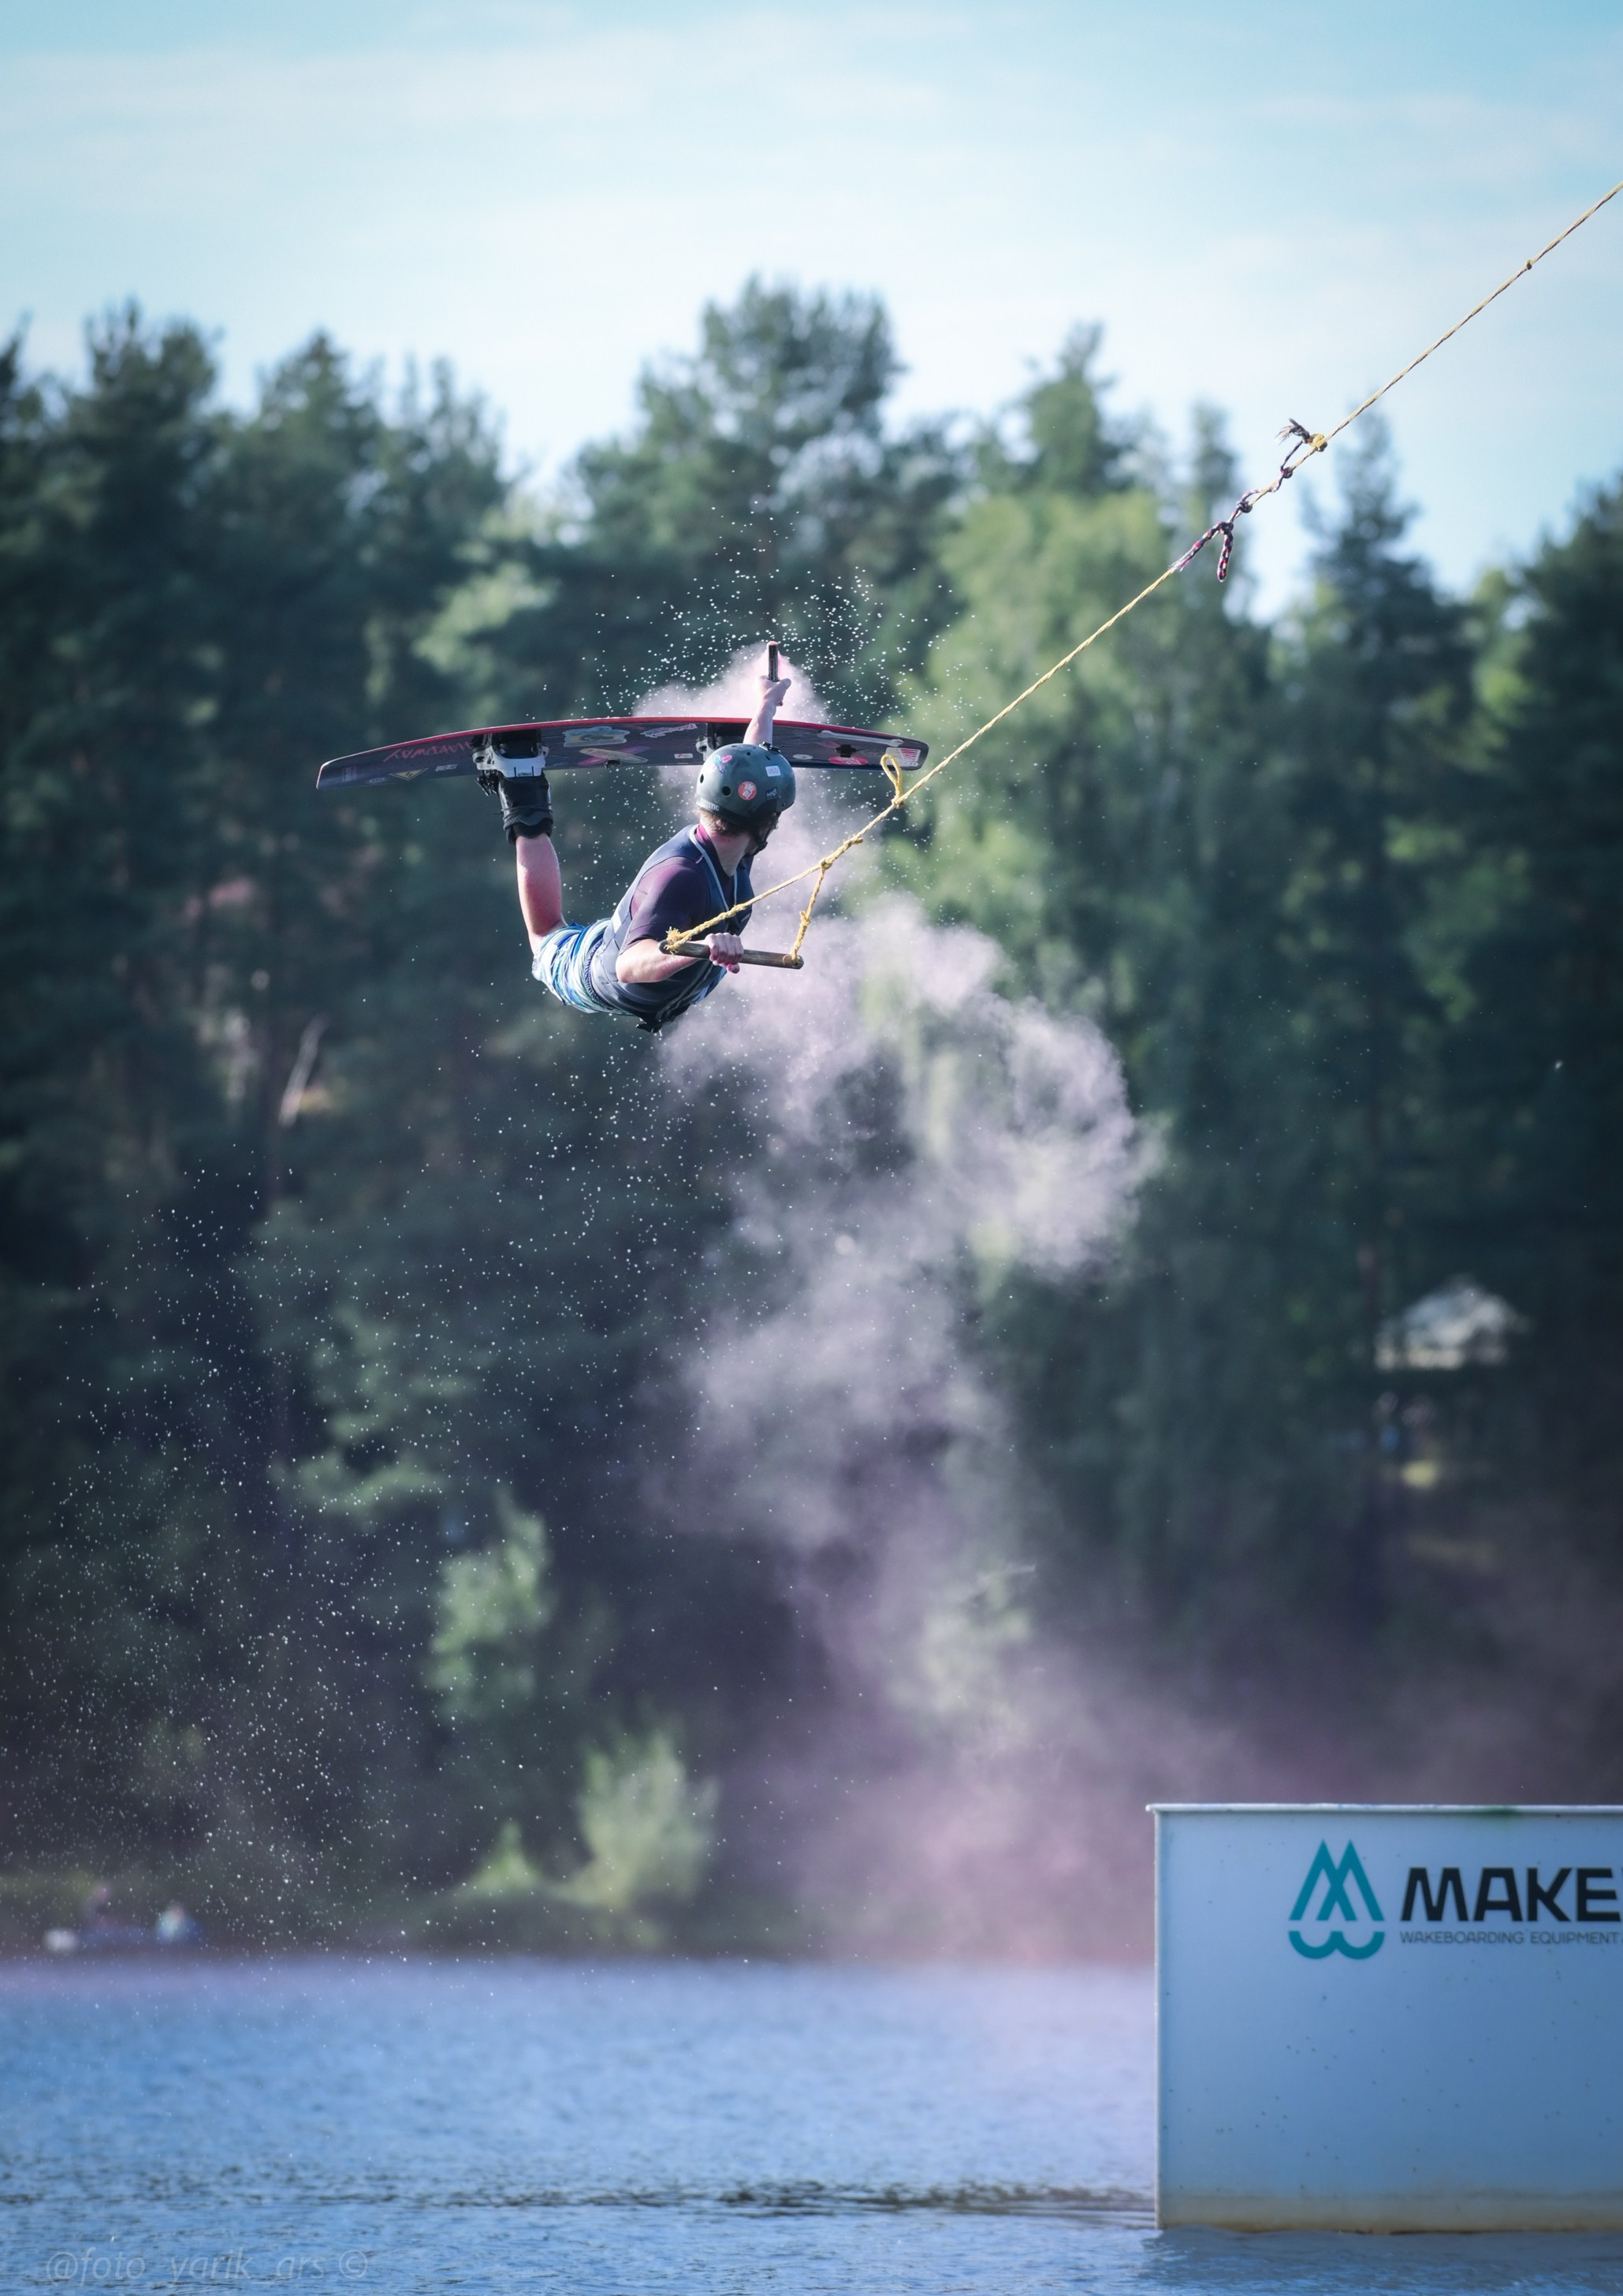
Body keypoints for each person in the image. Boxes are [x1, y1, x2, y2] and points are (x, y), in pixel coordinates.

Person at [479, 657, 796, 1032]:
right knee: (545, 935)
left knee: (622, 923)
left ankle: (722, 753)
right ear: (763, 823)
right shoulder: (682, 877)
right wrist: (699, 949)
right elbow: (628, 966)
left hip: (636, 937)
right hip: (591, 973)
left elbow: (751, 775)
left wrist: (766, 704)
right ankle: (521, 782)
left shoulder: (732, 843)